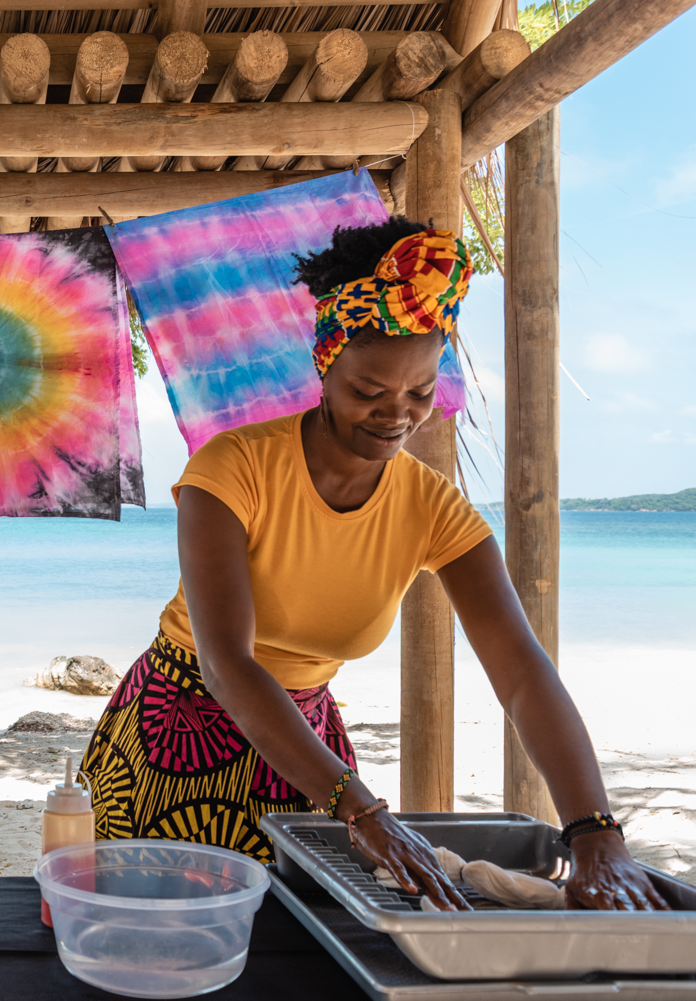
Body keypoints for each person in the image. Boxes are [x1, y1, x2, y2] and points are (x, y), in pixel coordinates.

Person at [80, 219, 668, 911]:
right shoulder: (232, 469)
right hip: (176, 737)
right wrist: (361, 810)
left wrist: (595, 830)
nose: (396, 416)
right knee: (172, 942)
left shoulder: (432, 507)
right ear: (326, 366)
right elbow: (227, 664)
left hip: (312, 762)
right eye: (369, 392)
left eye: (420, 394)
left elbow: (522, 671)